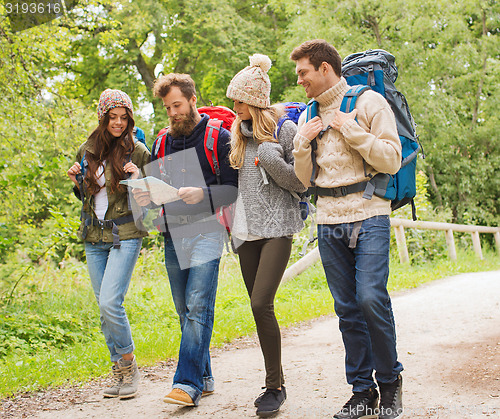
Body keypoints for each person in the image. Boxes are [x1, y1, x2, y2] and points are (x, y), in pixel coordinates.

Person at [290, 39, 404, 419]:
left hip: (370, 212)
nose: (300, 80)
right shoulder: (308, 115)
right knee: (347, 309)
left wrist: (350, 130)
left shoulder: (370, 102)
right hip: (327, 218)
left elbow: (391, 159)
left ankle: (390, 384)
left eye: (304, 72)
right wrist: (301, 147)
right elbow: (303, 180)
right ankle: (362, 392)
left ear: (325, 69)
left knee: (371, 298)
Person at [134, 73, 238, 407]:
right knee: (184, 311)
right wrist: (142, 195)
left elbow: (235, 187)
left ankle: (187, 383)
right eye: (167, 108)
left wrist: (204, 194)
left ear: (193, 100)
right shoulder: (162, 141)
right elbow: (154, 192)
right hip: (172, 232)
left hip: (208, 229)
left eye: (177, 105)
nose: (173, 113)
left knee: (197, 305)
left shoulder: (218, 137)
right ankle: (204, 378)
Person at [225, 54, 306, 417]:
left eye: (239, 100)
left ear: (255, 100)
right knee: (260, 311)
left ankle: (276, 387)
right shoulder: (237, 134)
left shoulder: (284, 131)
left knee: (261, 302)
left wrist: (272, 161)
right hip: (245, 231)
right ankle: (272, 384)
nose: (234, 106)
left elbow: (302, 184)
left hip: (278, 228)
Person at [67, 89, 151, 399]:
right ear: (103, 118)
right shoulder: (87, 150)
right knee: (104, 311)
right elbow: (87, 197)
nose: (118, 123)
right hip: (93, 236)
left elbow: (153, 196)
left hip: (125, 234)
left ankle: (129, 364)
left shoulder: (138, 151)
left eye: (123, 117)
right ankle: (118, 371)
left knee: (109, 303)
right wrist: (78, 181)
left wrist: (138, 177)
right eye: (112, 117)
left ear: (130, 119)